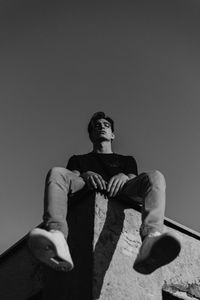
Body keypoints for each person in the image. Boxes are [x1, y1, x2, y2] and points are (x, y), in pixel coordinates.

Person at [28, 112, 181, 275]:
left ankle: (151, 238)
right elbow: (70, 177)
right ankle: (57, 237)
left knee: (156, 175)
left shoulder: (127, 160)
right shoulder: (78, 160)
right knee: (56, 172)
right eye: (97, 126)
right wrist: (85, 174)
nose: (102, 127)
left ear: (112, 134)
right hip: (87, 187)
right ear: (91, 135)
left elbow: (134, 179)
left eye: (106, 125)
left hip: (123, 190)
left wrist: (124, 176)